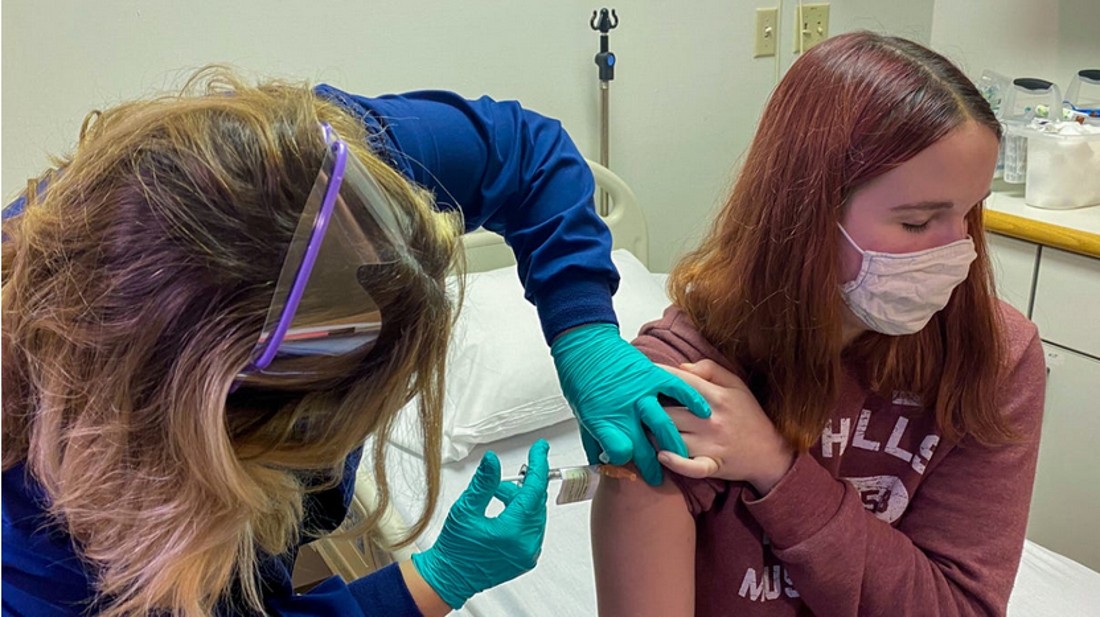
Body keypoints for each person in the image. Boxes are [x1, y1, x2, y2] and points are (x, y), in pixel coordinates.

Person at [1, 70, 550, 616]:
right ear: (223, 437)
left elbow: (525, 150)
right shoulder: (47, 572)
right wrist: (437, 579)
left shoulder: (284, 177)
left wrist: (585, 332)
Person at [3, 75, 710, 490]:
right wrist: (422, 587)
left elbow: (529, 155)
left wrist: (582, 328)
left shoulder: (318, 175)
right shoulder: (47, 498)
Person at [591, 31, 1047, 616]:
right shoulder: (682, 382)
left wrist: (778, 470)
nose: (958, 254)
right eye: (916, 224)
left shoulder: (996, 354)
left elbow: (963, 608)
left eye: (969, 213)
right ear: (807, 214)